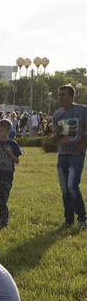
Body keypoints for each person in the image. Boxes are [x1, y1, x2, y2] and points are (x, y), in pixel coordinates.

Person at [51, 84, 87, 230]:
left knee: (73, 186)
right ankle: (69, 220)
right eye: (59, 95)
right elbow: (53, 139)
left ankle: (82, 219)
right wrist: (58, 133)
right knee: (65, 189)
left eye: (64, 94)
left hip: (75, 154)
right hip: (62, 154)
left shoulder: (82, 110)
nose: (60, 97)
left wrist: (79, 149)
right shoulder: (57, 114)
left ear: (72, 96)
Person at [0, 120, 22, 229]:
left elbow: (17, 161)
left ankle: (3, 223)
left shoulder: (13, 144)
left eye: (1, 130)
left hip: (7, 177)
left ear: (8, 131)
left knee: (4, 202)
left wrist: (10, 154)